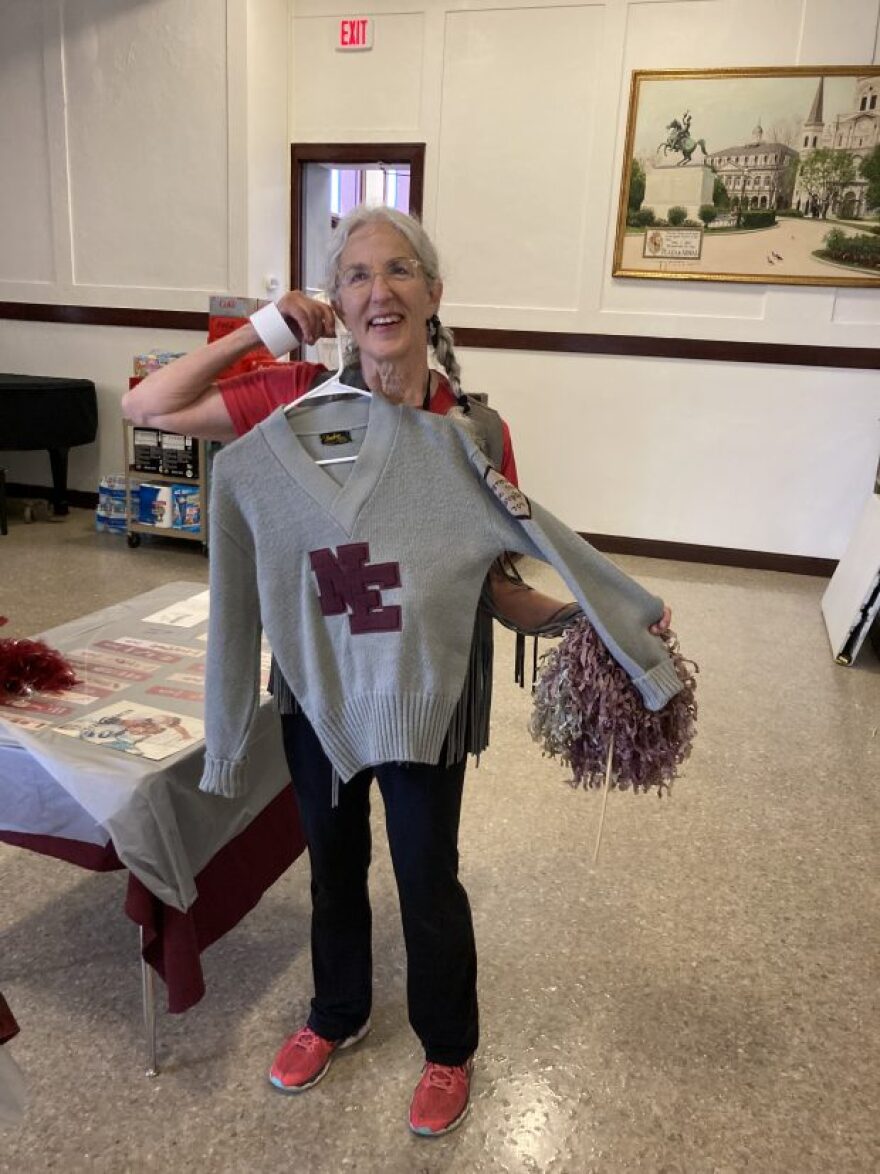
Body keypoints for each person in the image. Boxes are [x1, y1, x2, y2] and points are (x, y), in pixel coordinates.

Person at [122, 204, 671, 1136]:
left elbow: (496, 582)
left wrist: (601, 622)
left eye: (401, 271)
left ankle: (448, 1045)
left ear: (433, 295)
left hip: (425, 687)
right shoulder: (288, 401)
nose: (381, 290)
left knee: (426, 871)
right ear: (336, 301)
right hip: (317, 687)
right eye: (358, 275)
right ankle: (336, 1012)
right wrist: (263, 329)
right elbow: (148, 407)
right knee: (334, 866)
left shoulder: (473, 432)